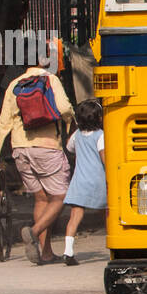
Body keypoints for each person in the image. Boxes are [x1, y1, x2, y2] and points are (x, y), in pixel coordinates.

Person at [0, 61, 74, 265]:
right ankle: (33, 232)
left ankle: (46, 253)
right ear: (44, 61)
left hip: (20, 148)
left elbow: (3, 122)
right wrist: (70, 121)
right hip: (47, 147)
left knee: (41, 199)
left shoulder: (15, 84)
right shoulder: (50, 79)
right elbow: (64, 108)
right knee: (60, 196)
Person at [61, 98, 107, 267]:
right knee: (107, 215)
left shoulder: (77, 135)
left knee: (75, 216)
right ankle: (114, 248)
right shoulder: (100, 136)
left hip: (79, 180)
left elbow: (69, 148)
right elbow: (104, 159)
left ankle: (68, 251)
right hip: (97, 181)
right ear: (99, 118)